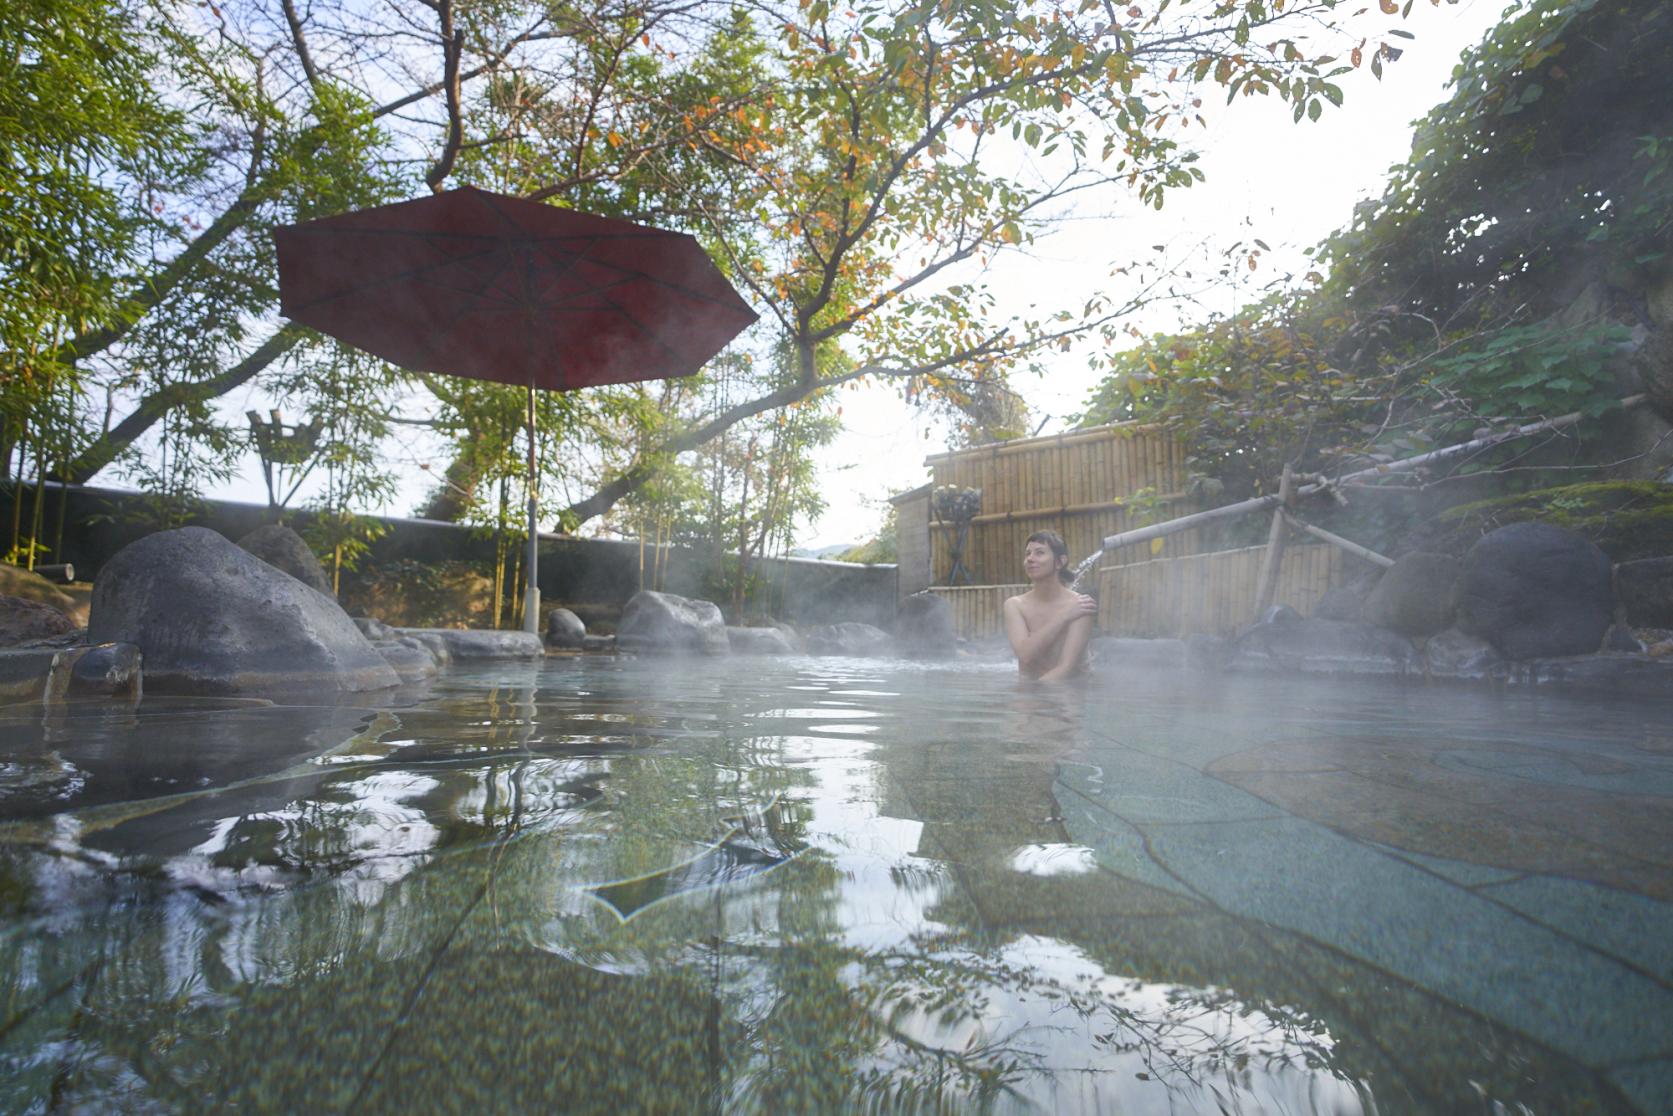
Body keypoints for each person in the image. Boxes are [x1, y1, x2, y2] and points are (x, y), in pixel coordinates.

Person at [1002, 530, 1096, 681]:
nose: (1030, 559)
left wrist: (1039, 696)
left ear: (1060, 562)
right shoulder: (1015, 605)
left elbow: (1066, 667)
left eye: (1039, 553)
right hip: (1030, 689)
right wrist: (1064, 616)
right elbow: (1025, 655)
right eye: (1027, 554)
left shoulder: (1080, 605)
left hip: (1069, 689)